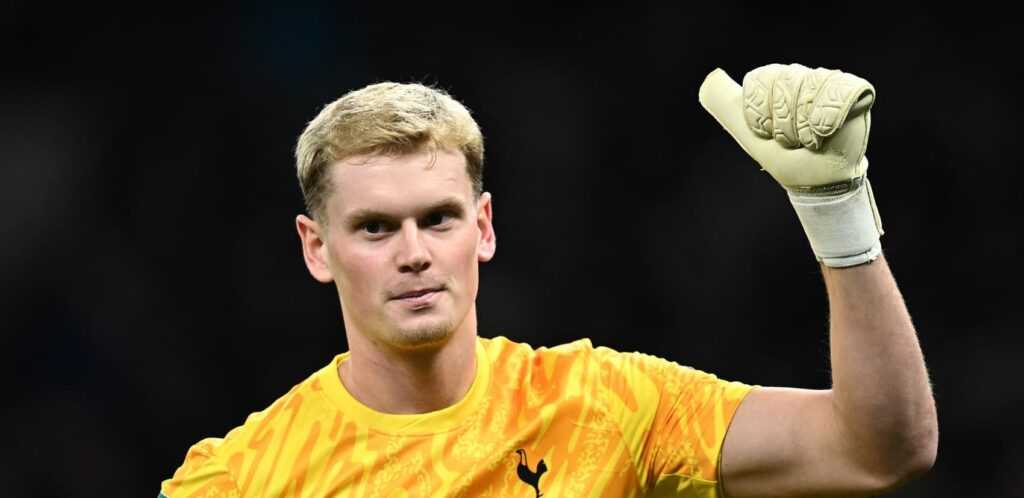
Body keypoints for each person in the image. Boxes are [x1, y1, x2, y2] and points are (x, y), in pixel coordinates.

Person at [159, 63, 938, 497]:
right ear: (316, 248)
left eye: (438, 218)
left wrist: (836, 211)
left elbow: (879, 450)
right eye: (375, 228)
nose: (414, 252)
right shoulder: (240, 480)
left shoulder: (602, 406)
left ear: (483, 227)